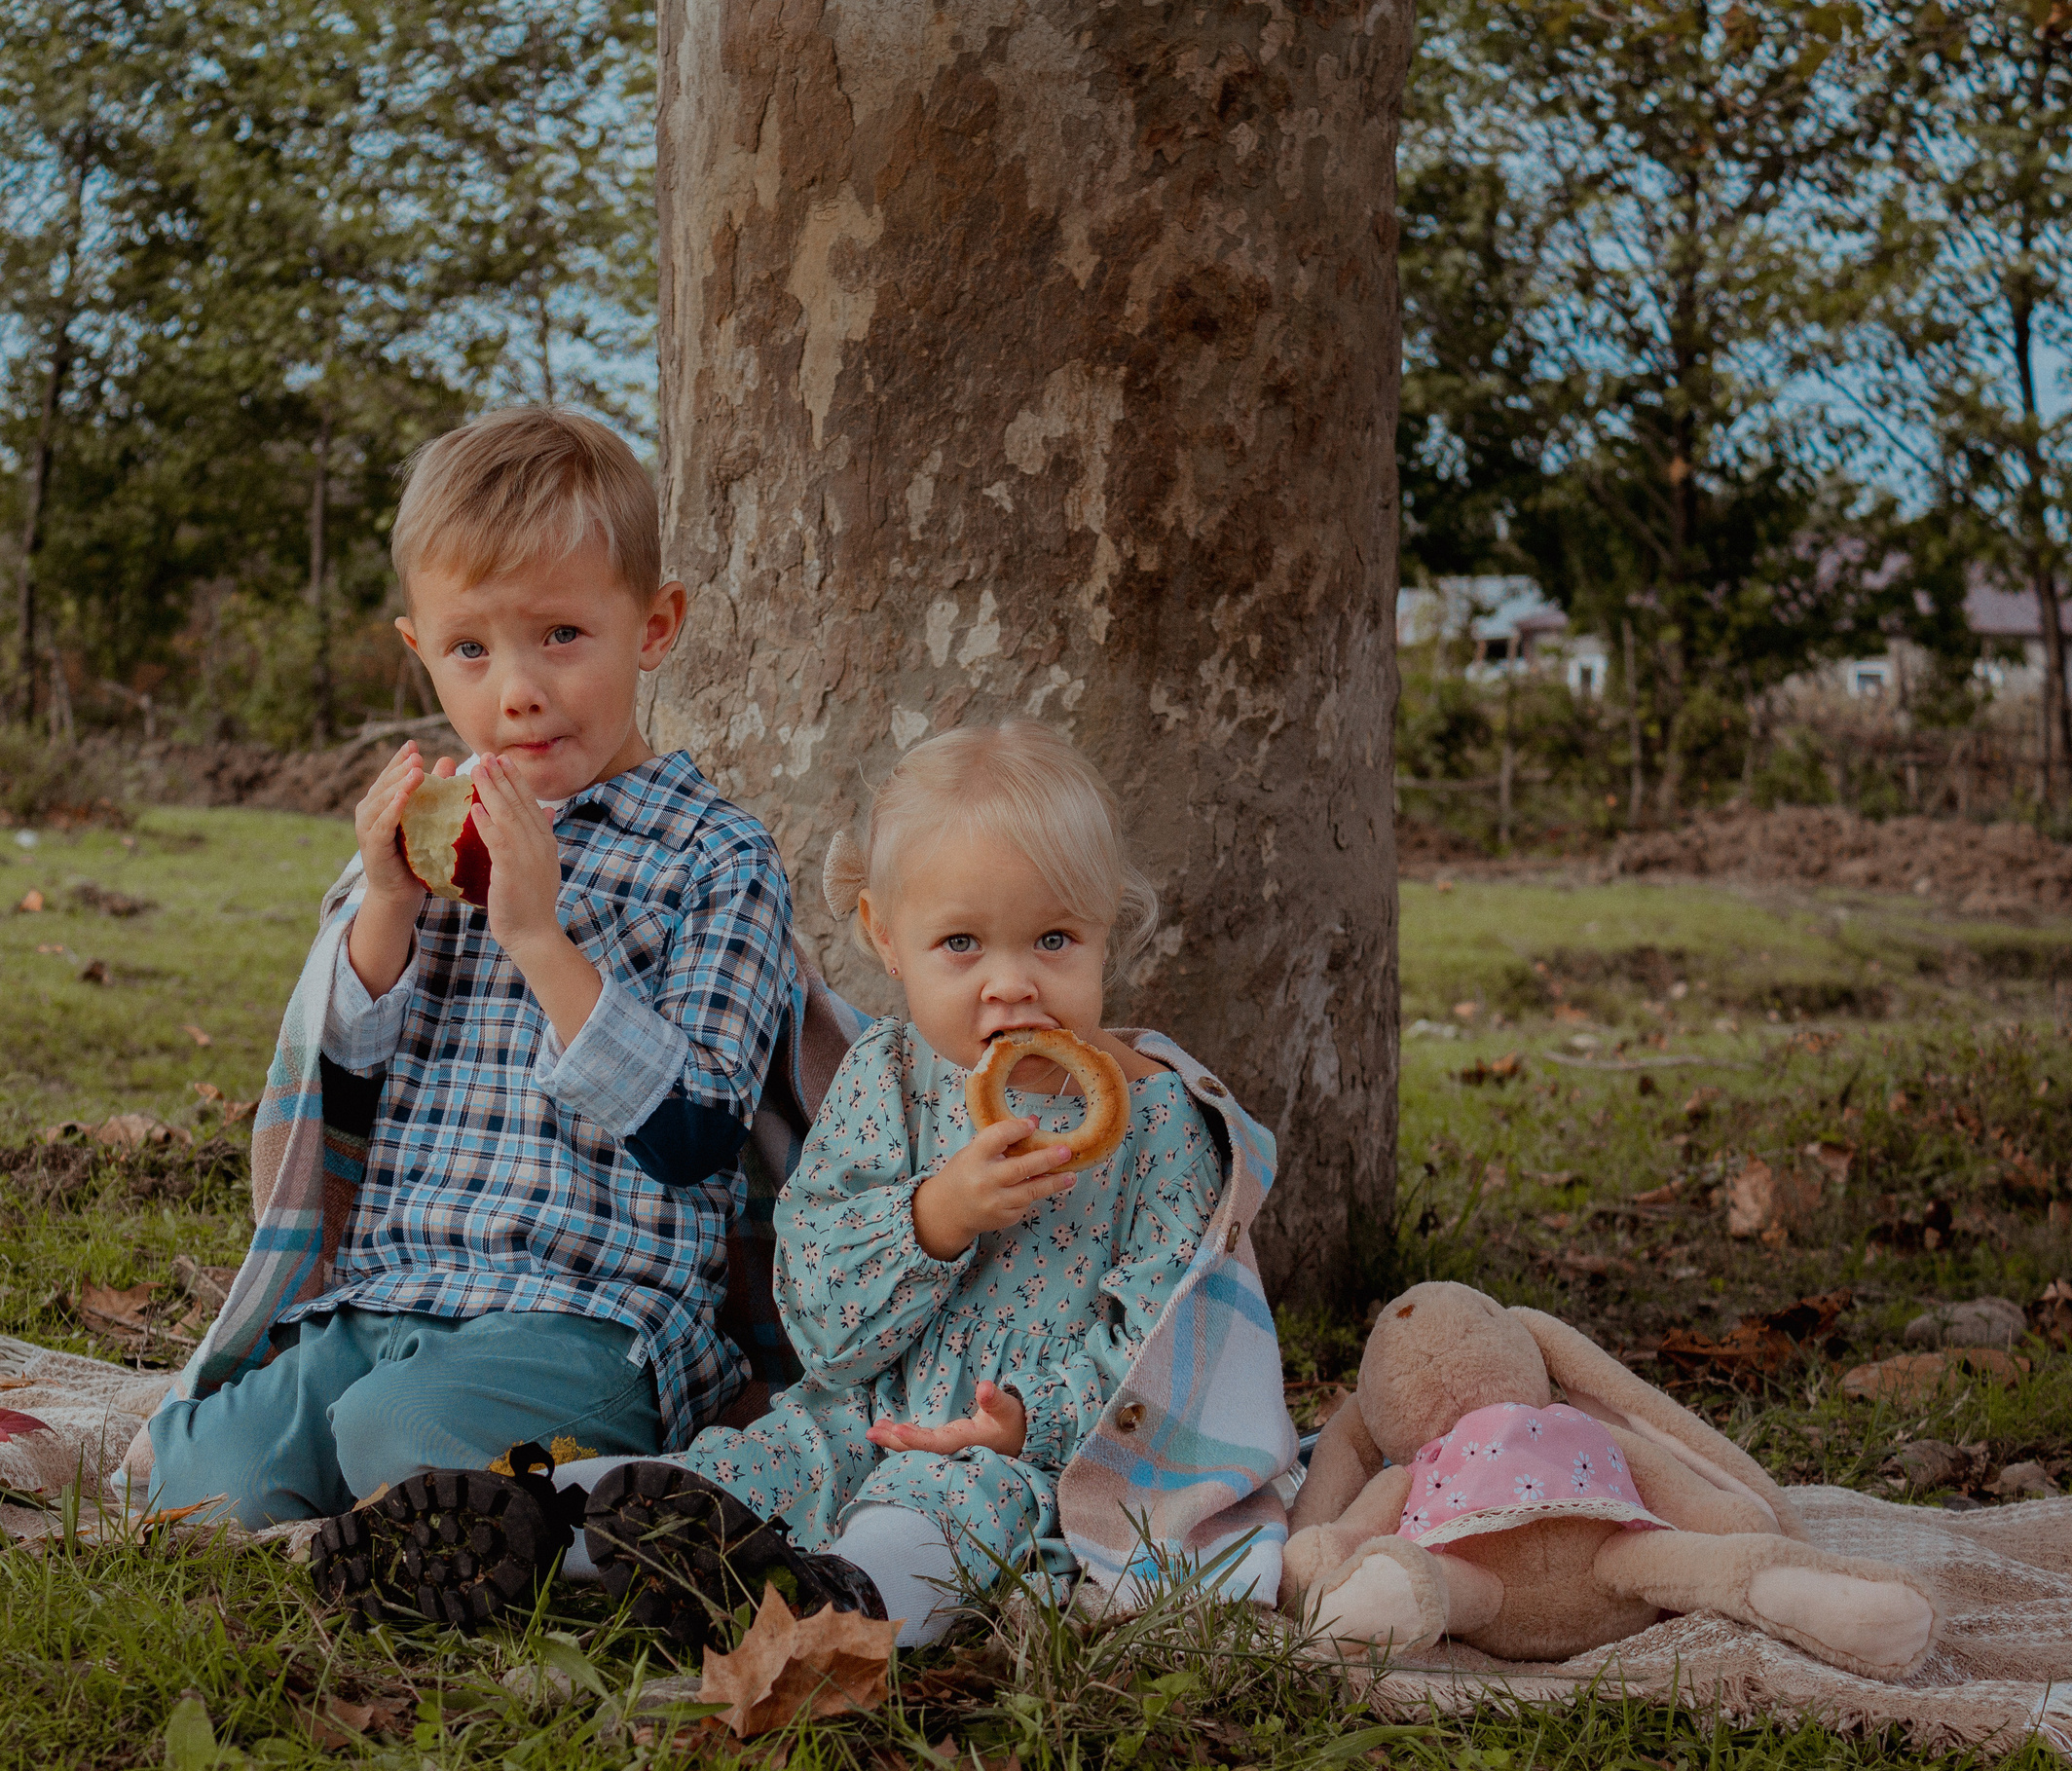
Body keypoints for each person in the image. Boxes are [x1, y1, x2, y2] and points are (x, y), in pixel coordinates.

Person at [141, 408, 799, 1629]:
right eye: (469, 651)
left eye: (562, 634)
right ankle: (435, 1524)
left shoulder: (714, 858)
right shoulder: (417, 842)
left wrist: (541, 937)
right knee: (197, 1470)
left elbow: (701, 1131)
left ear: (654, 626)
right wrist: (386, 902)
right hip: (387, 1292)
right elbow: (334, 1087)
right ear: (418, 651)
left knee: (400, 1430)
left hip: (587, 1317)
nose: (519, 692)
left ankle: (629, 1518)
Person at [539, 720, 1295, 1649]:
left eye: (1054, 938)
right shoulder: (883, 1078)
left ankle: (831, 1602)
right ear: (887, 941)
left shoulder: (1159, 1126)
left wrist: (1028, 1419)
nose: (1011, 984)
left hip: (1004, 1457)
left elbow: (1162, 1350)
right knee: (734, 1471)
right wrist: (934, 1218)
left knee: (931, 1522)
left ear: (1107, 930)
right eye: (962, 944)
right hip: (849, 1415)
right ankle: (539, 1522)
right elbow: (817, 1315)